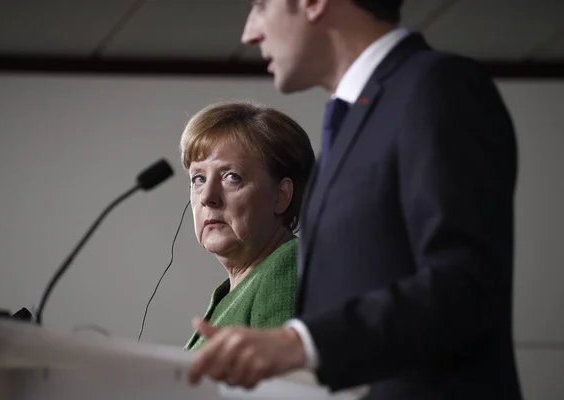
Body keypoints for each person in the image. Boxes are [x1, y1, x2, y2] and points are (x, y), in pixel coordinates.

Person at [187, 0, 523, 399]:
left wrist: (299, 343)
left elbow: (467, 282)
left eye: (261, 5)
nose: (249, 32)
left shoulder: (437, 86)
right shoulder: (350, 123)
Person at [180, 100, 315, 351]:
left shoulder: (286, 267)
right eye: (198, 178)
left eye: (232, 176)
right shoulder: (230, 293)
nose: (207, 196)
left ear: (281, 196)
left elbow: (281, 385)